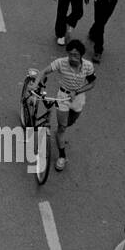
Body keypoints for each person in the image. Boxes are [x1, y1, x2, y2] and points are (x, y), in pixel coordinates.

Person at [38, 39, 96, 171]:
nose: (72, 58)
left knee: (70, 122)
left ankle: (60, 132)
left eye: (75, 55)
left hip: (78, 98)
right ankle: (62, 156)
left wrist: (77, 91)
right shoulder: (61, 63)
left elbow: (92, 83)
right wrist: (35, 83)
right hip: (63, 97)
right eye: (70, 54)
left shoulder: (88, 66)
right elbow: (44, 71)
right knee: (62, 127)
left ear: (81, 55)